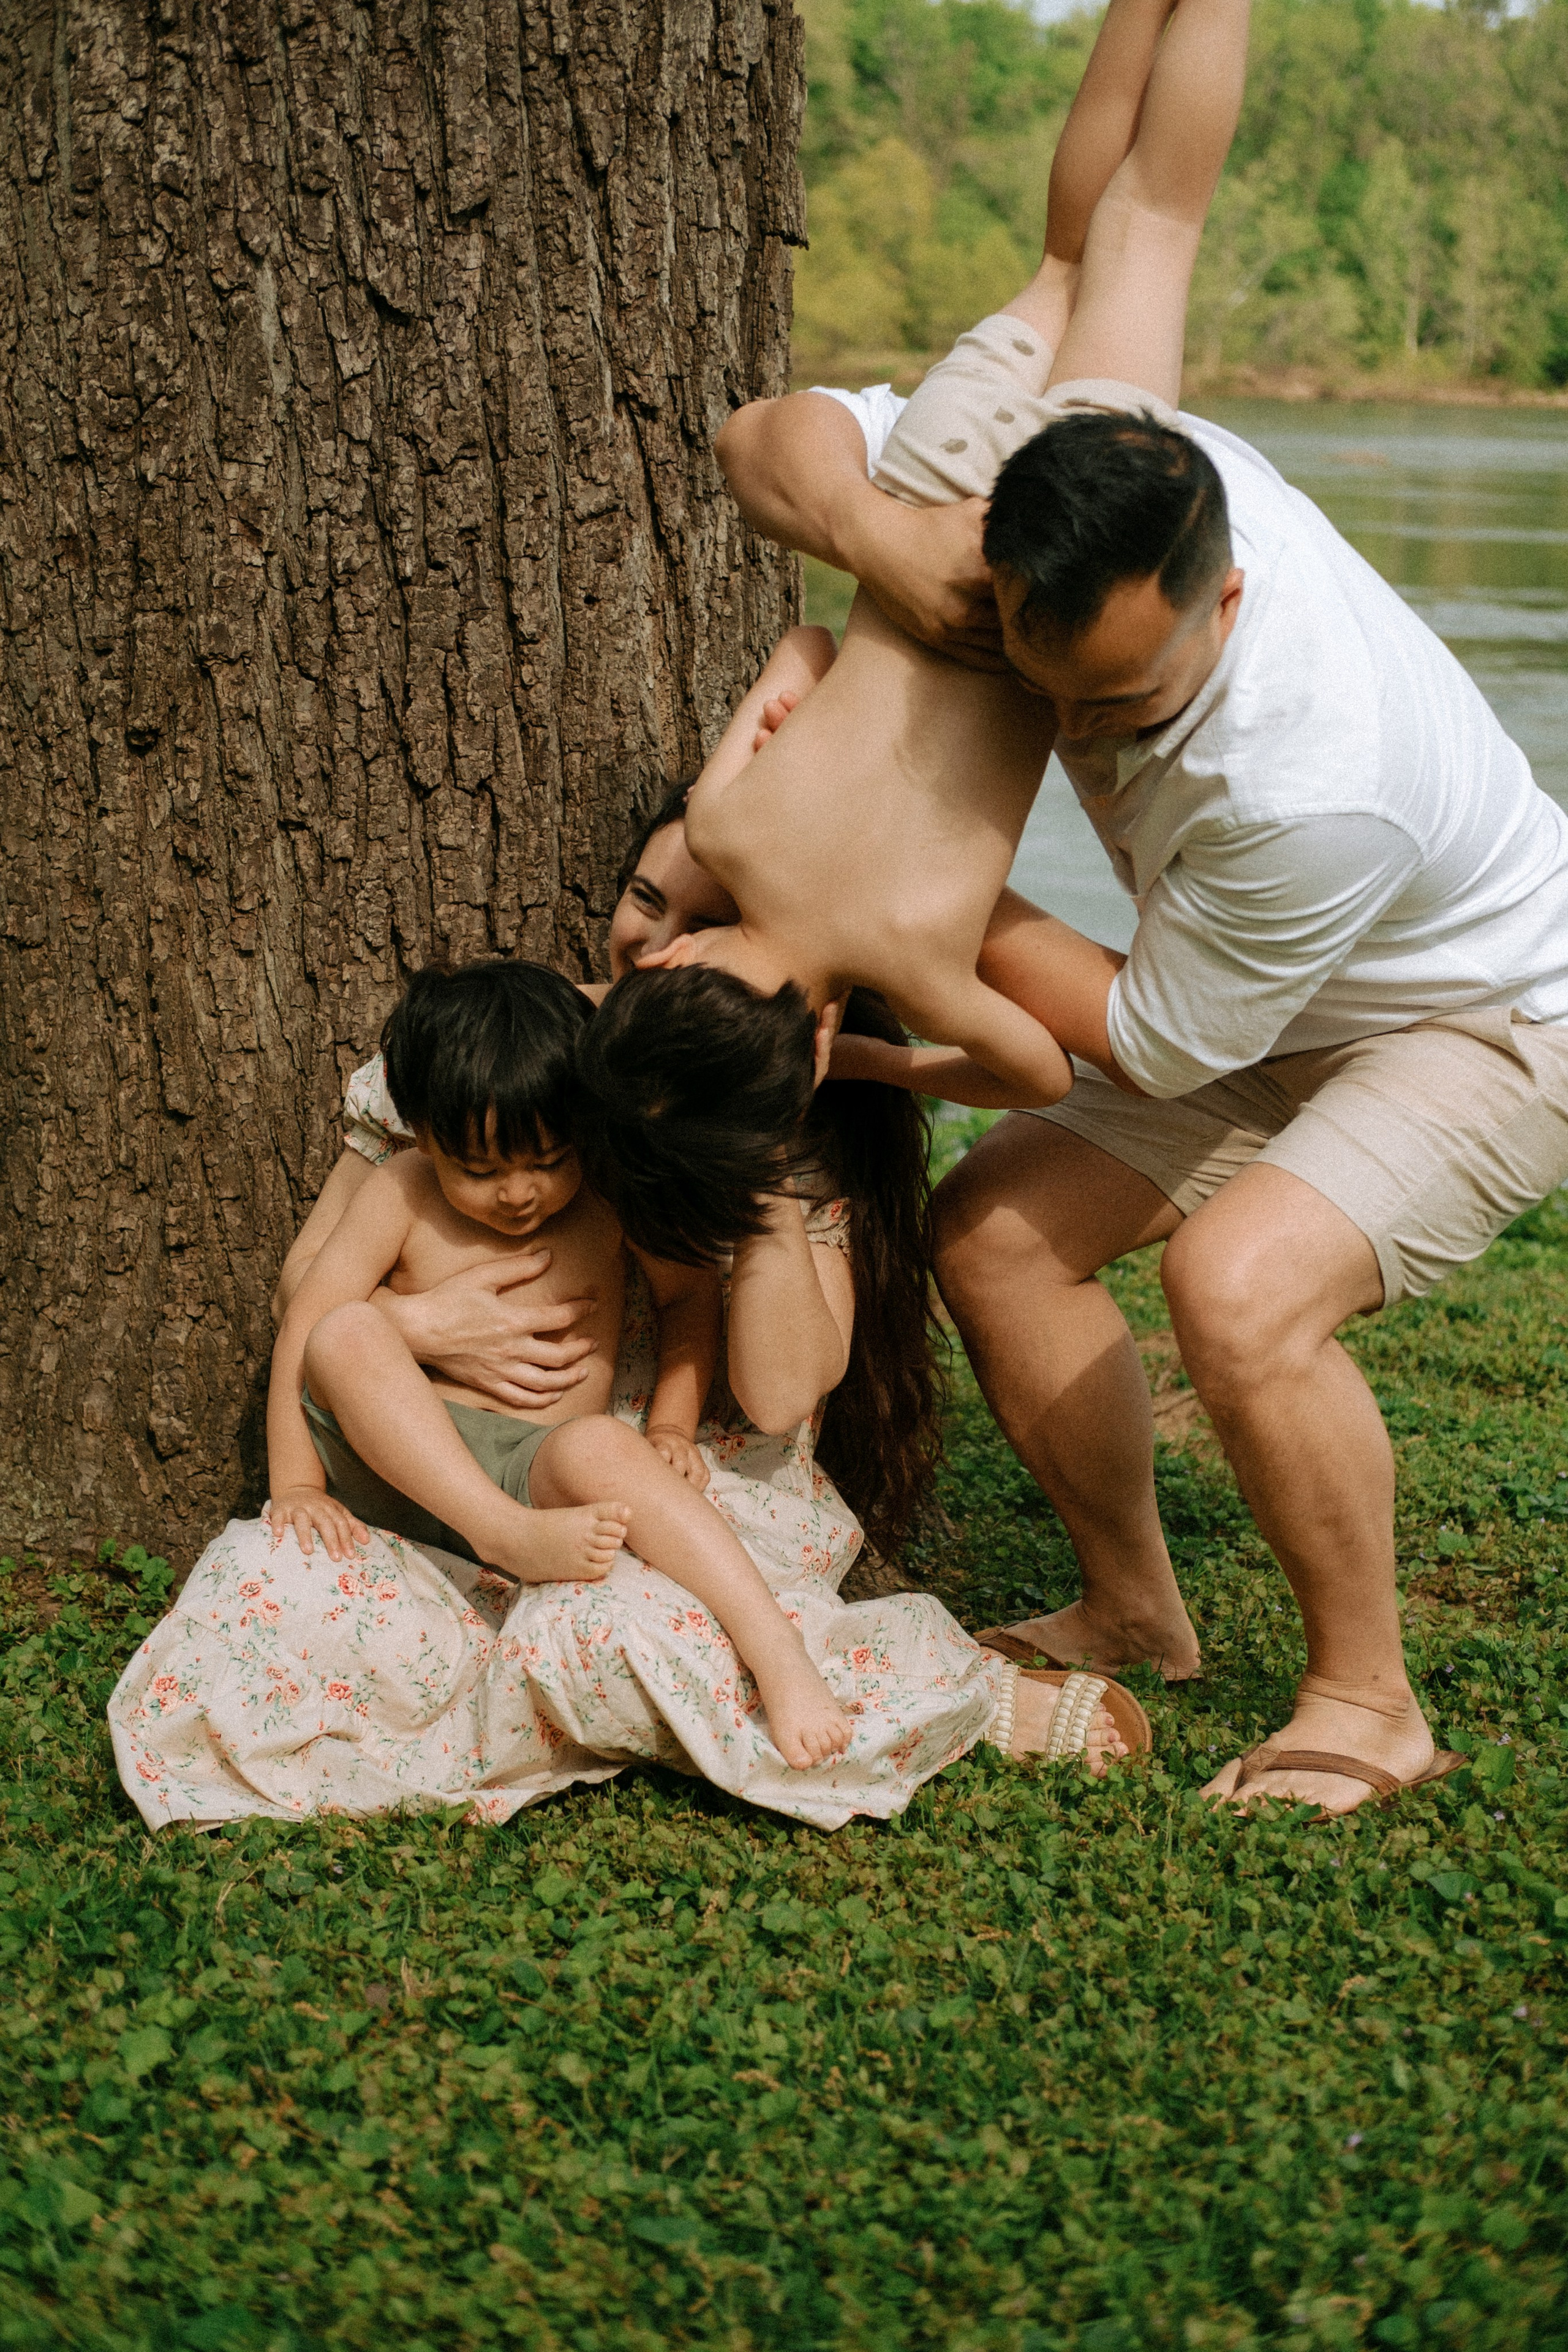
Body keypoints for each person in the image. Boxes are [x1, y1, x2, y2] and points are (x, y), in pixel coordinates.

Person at [714, 0, 1568, 1817]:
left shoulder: (1303, 779)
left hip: (1479, 1012)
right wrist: (873, 547)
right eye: (1054, 684)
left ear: (1227, 587)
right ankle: (1135, 1611)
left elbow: (1166, 1037)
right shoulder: (1083, 465)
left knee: (1239, 1286)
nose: (1086, 729)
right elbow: (1126, 217)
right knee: (999, 1238)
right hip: (1237, 978)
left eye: (1132, 700)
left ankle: (1369, 1700)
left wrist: (907, 905)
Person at [570, 0, 1247, 1253]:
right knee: (1065, 251)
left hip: (1043, 561)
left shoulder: (925, 970)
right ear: (663, 971)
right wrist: (790, 720)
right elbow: (806, 655)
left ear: (804, 1063)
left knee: (1153, 222)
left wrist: (884, 1069)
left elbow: (1035, 1077)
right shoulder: (724, 828)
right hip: (929, 498)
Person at [268, 956, 856, 1770]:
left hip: (531, 1464)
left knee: (605, 1448)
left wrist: (672, 1426)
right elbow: (307, 1316)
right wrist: (295, 1484)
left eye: (548, 1161)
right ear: (424, 1133)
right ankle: (503, 1537)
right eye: (481, 1171)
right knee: (346, 1333)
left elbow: (689, 1302)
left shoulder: (609, 1200)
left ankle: (776, 1652)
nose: (520, 1194)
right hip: (394, 1457)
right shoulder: (401, 1189)